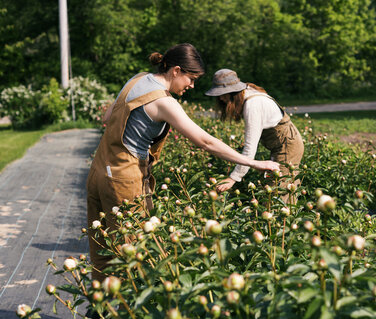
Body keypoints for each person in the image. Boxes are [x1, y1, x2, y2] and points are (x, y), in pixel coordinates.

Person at [86, 44, 279, 282]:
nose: (192, 85)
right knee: (134, 251)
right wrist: (255, 163)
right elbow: (206, 142)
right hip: (123, 178)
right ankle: (129, 313)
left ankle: (98, 310)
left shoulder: (136, 79)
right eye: (191, 78)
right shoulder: (164, 102)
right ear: (176, 70)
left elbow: (107, 117)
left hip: (97, 172)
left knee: (102, 248)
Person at [205, 69, 304, 200]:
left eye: (223, 94)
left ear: (233, 92)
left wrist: (233, 178)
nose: (221, 99)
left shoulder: (253, 105)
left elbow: (250, 149)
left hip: (288, 146)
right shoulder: (247, 92)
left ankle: (282, 219)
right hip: (282, 145)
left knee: (278, 194)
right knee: (276, 188)